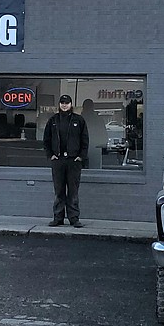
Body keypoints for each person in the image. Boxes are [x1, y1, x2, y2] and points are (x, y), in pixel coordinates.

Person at [42, 94, 89, 227]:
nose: (64, 105)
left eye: (67, 102)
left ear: (71, 104)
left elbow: (85, 140)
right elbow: (46, 140)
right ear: (59, 104)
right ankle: (58, 218)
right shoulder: (53, 121)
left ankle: (74, 219)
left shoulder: (79, 120)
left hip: (73, 161)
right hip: (58, 160)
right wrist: (50, 155)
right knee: (59, 190)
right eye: (62, 102)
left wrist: (81, 156)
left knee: (73, 191)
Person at [80, 98, 107, 168]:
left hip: (92, 148)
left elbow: (103, 136)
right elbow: (104, 135)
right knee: (95, 170)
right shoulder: (79, 120)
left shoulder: (79, 119)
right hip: (92, 148)